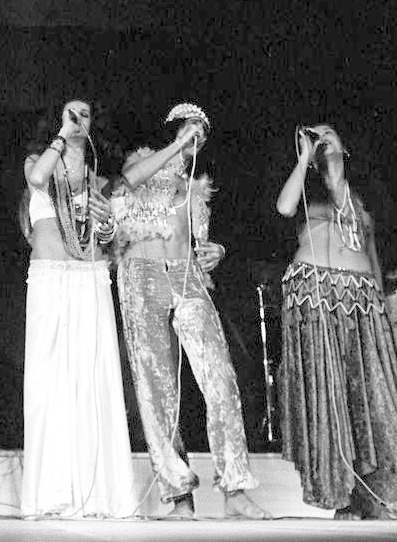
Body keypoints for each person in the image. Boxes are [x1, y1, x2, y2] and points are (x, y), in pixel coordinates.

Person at [111, 102, 270, 520]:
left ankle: (234, 488)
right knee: (156, 387)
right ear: (172, 129)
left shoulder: (197, 189)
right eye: (189, 126)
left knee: (220, 377)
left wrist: (214, 250)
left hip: (187, 276)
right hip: (142, 273)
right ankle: (179, 493)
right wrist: (177, 145)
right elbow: (127, 181)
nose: (197, 133)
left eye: (202, 129)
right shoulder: (143, 163)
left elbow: (195, 239)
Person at [275, 123, 397, 519]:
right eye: (316, 135)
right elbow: (284, 207)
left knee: (372, 398)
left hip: (361, 299)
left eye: (329, 135)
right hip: (313, 293)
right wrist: (305, 156)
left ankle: (376, 496)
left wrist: (382, 306)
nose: (322, 139)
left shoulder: (360, 195)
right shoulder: (306, 190)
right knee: (329, 396)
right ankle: (344, 498)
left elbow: (371, 253)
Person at [21, 99, 136, 518]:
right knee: (49, 382)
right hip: (50, 276)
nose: (77, 120)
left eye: (84, 115)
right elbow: (37, 179)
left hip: (89, 278)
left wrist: (107, 225)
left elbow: (107, 235)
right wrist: (61, 138)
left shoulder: (99, 181)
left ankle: (99, 492)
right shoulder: (39, 162)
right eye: (70, 113)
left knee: (93, 378)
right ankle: (52, 493)